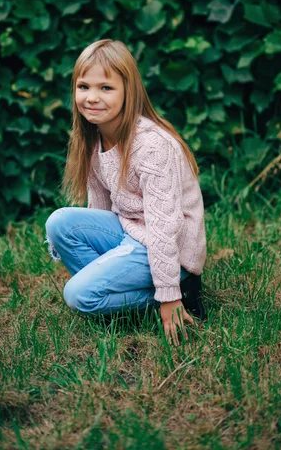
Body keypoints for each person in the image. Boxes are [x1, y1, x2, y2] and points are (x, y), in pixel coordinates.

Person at [45, 39, 206, 346]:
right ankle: (123, 292)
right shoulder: (94, 136)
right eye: (83, 86)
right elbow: (100, 207)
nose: (92, 98)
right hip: (130, 233)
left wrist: (168, 296)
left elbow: (163, 227)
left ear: (128, 92)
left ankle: (178, 295)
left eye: (106, 88)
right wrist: (111, 259)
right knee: (59, 223)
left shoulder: (153, 146)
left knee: (77, 295)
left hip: (169, 247)